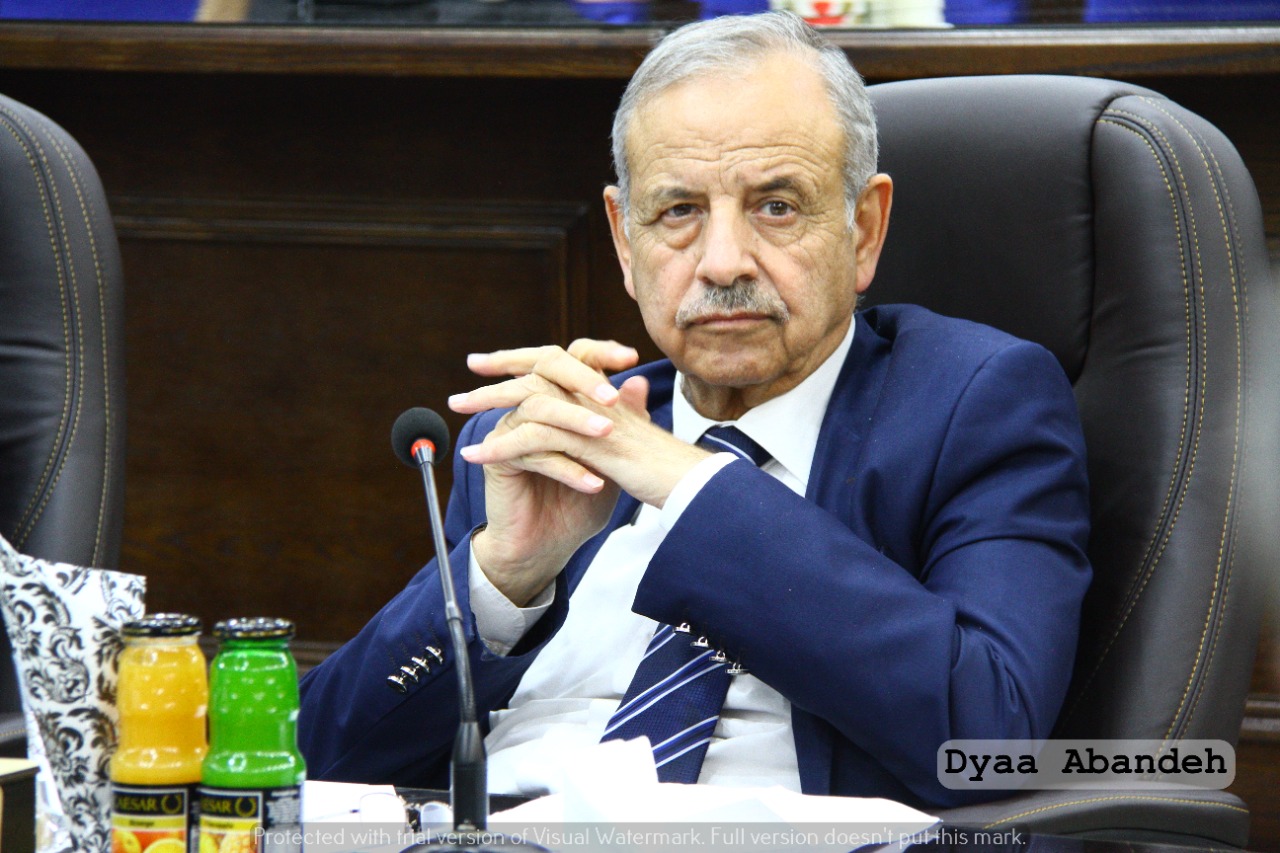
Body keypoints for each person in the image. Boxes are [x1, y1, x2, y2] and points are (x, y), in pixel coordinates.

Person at [297, 11, 1091, 809]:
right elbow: (312, 767)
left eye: (776, 206)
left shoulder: (976, 407)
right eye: (678, 211)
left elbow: (991, 740)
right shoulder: (551, 445)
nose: (722, 263)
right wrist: (500, 578)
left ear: (864, 230)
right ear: (624, 240)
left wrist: (692, 489)